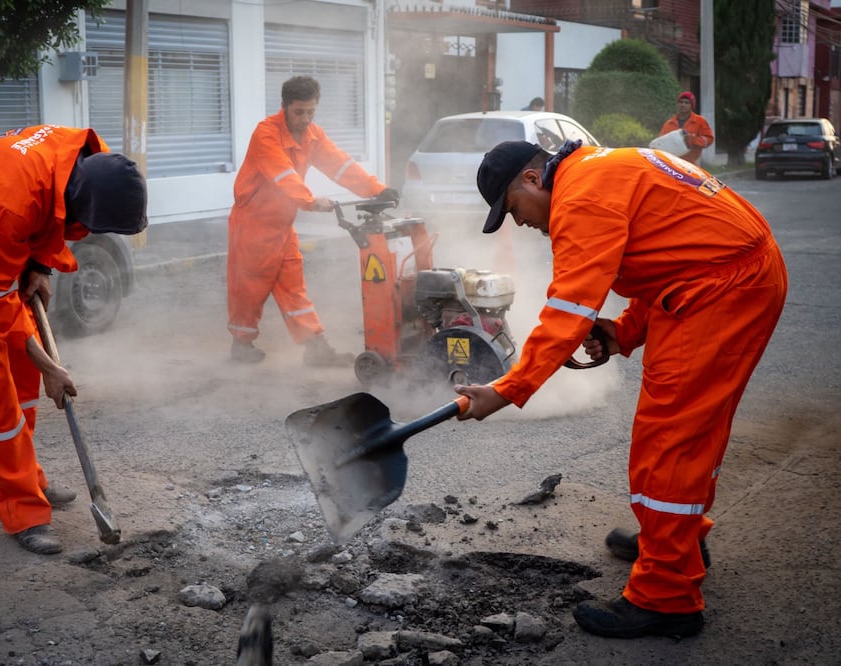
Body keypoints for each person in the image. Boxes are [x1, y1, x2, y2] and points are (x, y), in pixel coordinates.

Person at [455, 139, 787, 638]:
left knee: (671, 441)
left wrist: (507, 389)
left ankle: (666, 597)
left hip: (722, 293)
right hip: (720, 282)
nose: (520, 223)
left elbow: (569, 307)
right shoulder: (600, 169)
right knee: (687, 434)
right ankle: (671, 541)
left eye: (514, 210)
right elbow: (677, 256)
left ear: (531, 179)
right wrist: (626, 331)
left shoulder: (581, 196)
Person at [0, 125, 148, 555]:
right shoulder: (11, 203)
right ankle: (21, 509)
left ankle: (29, 478)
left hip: (13, 231)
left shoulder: (91, 159)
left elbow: (54, 212)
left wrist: (41, 263)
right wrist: (53, 367)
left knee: (24, 370)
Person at [227, 75, 398, 366]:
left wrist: (377, 189)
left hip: (282, 224)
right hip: (253, 225)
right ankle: (241, 344)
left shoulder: (313, 136)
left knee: (294, 286)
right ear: (283, 107)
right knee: (250, 287)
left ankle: (316, 349)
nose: (305, 119)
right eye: (299, 112)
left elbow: (341, 166)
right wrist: (309, 200)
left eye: (311, 112)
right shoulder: (266, 134)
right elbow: (282, 174)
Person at [658, 91, 714, 165]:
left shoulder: (700, 121)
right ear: (678, 104)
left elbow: (709, 139)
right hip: (671, 163)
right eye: (681, 102)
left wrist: (694, 140)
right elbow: (660, 143)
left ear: (692, 105)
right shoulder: (669, 123)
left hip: (691, 163)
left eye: (687, 103)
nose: (683, 105)